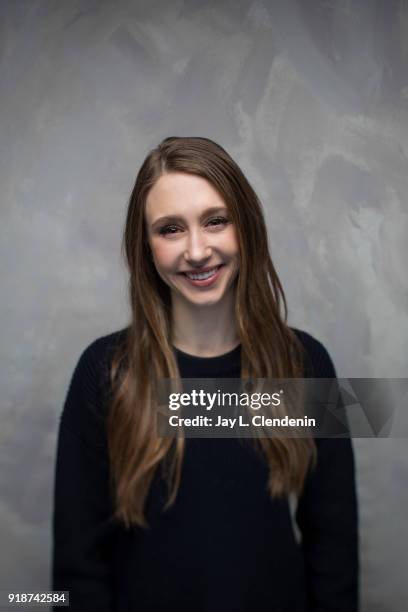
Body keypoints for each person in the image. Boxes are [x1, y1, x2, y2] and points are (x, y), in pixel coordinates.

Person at [52, 136, 359, 611]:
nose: (197, 251)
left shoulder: (305, 365)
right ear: (146, 248)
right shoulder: (105, 374)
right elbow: (77, 573)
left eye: (216, 221)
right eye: (170, 229)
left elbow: (334, 552)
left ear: (246, 227)